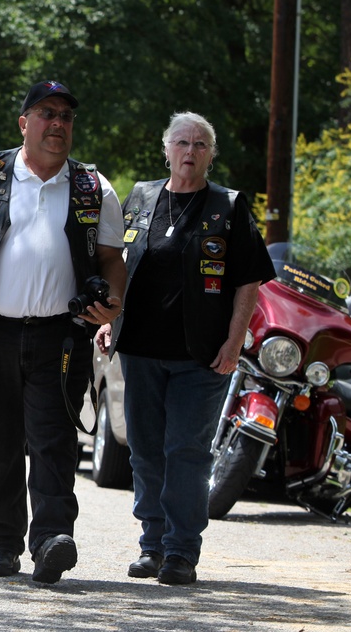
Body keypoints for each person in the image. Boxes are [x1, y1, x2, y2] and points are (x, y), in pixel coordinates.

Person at [0, 80, 126, 583]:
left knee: (54, 439)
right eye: (47, 113)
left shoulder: (92, 186)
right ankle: (2, 543)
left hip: (61, 335)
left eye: (66, 115)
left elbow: (111, 256)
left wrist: (112, 301)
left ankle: (50, 539)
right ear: (25, 124)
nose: (58, 123)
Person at [95, 112, 275, 585]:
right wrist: (109, 318)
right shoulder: (140, 197)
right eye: (181, 143)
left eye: (199, 144)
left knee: (187, 451)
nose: (189, 152)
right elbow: (116, 264)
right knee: (146, 451)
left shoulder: (228, 206)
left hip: (202, 356)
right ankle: (151, 545)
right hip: (139, 348)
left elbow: (248, 282)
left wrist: (235, 343)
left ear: (210, 154)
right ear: (166, 149)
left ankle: (180, 552)